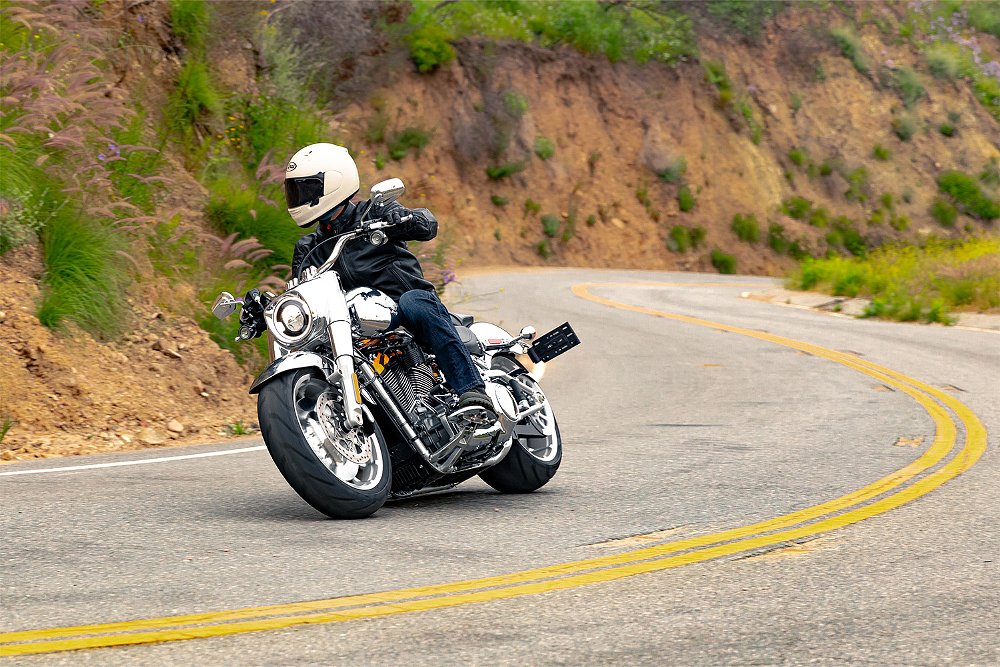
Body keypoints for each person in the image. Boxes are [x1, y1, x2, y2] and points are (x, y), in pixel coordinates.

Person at [280, 142, 493, 415]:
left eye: (306, 189)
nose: (299, 198)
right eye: (295, 191)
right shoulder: (308, 247)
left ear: (335, 182)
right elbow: (301, 294)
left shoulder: (374, 213)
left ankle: (472, 391)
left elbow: (428, 225)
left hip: (403, 306)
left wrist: (404, 217)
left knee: (414, 302)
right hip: (354, 323)